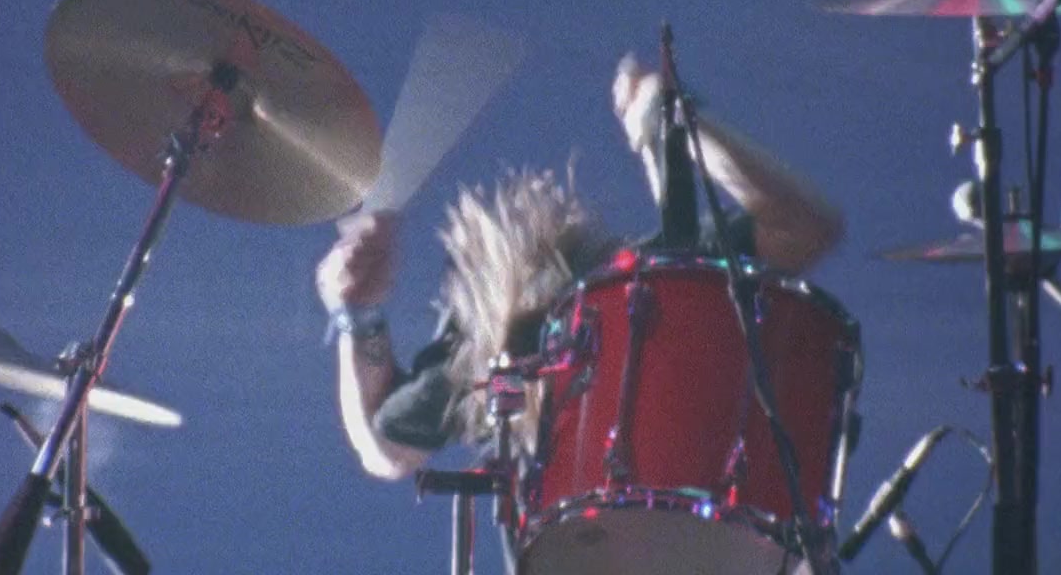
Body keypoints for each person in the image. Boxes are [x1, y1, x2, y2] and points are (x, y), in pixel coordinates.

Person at [316, 52, 845, 485]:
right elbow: (385, 449)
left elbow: (805, 225)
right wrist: (357, 314)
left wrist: (680, 126)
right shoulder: (493, 364)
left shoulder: (648, 280)